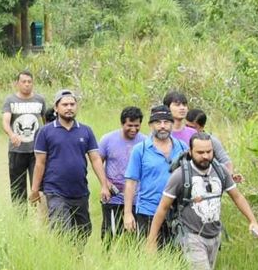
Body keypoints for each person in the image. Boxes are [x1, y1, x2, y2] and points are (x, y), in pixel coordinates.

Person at [145, 131, 258, 270]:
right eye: (200, 152)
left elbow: (237, 196)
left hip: (214, 236)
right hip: (190, 236)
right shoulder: (180, 176)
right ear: (190, 151)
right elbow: (162, 208)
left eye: (209, 151)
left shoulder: (220, 171)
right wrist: (151, 241)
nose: (205, 156)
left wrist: (252, 220)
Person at [29, 89, 115, 237]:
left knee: (84, 231)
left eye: (72, 104)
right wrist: (35, 189)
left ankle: (77, 258)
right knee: (62, 230)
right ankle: (62, 257)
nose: (69, 107)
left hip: (80, 191)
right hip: (55, 190)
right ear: (56, 108)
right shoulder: (45, 132)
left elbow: (95, 159)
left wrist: (104, 185)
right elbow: (40, 163)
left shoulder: (86, 131)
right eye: (65, 104)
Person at [122, 105, 185, 247]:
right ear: (151, 125)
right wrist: (127, 213)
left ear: (172, 124)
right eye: (158, 122)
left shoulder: (183, 148)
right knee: (150, 255)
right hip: (148, 211)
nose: (162, 126)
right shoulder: (140, 150)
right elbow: (131, 182)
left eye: (166, 122)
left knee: (178, 256)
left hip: (177, 213)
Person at [98, 106, 145, 242]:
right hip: (113, 197)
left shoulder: (145, 142)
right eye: (129, 125)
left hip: (137, 199)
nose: (133, 129)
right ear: (122, 123)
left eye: (137, 126)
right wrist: (105, 184)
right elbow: (97, 164)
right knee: (110, 236)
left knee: (134, 238)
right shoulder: (107, 140)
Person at [2, 70, 47, 204]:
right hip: (17, 151)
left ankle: (41, 218)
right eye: (23, 82)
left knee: (39, 186)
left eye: (29, 82)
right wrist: (12, 134)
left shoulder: (40, 100)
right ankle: (20, 218)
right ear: (17, 83)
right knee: (17, 187)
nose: (27, 85)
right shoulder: (10, 100)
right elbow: (5, 121)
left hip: (37, 152)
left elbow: (47, 123)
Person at [185, 107, 242, 183]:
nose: (188, 129)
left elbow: (225, 160)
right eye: (186, 126)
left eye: (192, 127)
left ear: (202, 127)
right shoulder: (179, 138)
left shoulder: (211, 141)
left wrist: (230, 176)